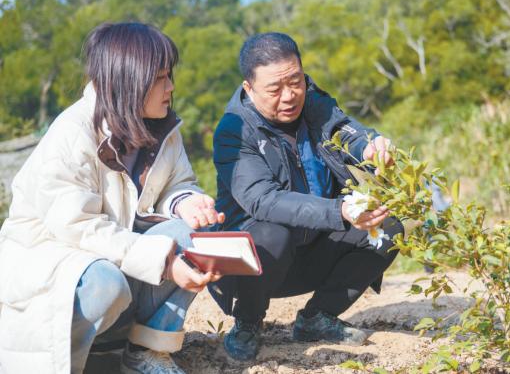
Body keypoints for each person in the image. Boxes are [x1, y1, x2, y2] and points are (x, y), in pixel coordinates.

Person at [0, 22, 225, 374]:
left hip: (115, 253)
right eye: (161, 78)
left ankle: (145, 351)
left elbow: (177, 183)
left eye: (170, 76)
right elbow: (79, 227)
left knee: (195, 234)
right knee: (105, 283)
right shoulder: (72, 134)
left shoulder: (161, 127)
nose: (171, 87)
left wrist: (185, 203)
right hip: (55, 263)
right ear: (128, 82)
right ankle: (74, 361)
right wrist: (165, 262)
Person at [211, 32, 404, 361]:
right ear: (249, 88)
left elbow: (345, 131)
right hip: (255, 264)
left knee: (387, 230)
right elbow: (263, 200)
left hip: (310, 250)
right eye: (275, 89)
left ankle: (316, 318)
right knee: (272, 231)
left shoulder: (314, 104)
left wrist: (371, 146)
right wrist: (340, 210)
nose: (289, 96)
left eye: (296, 82)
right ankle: (247, 322)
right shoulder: (233, 131)